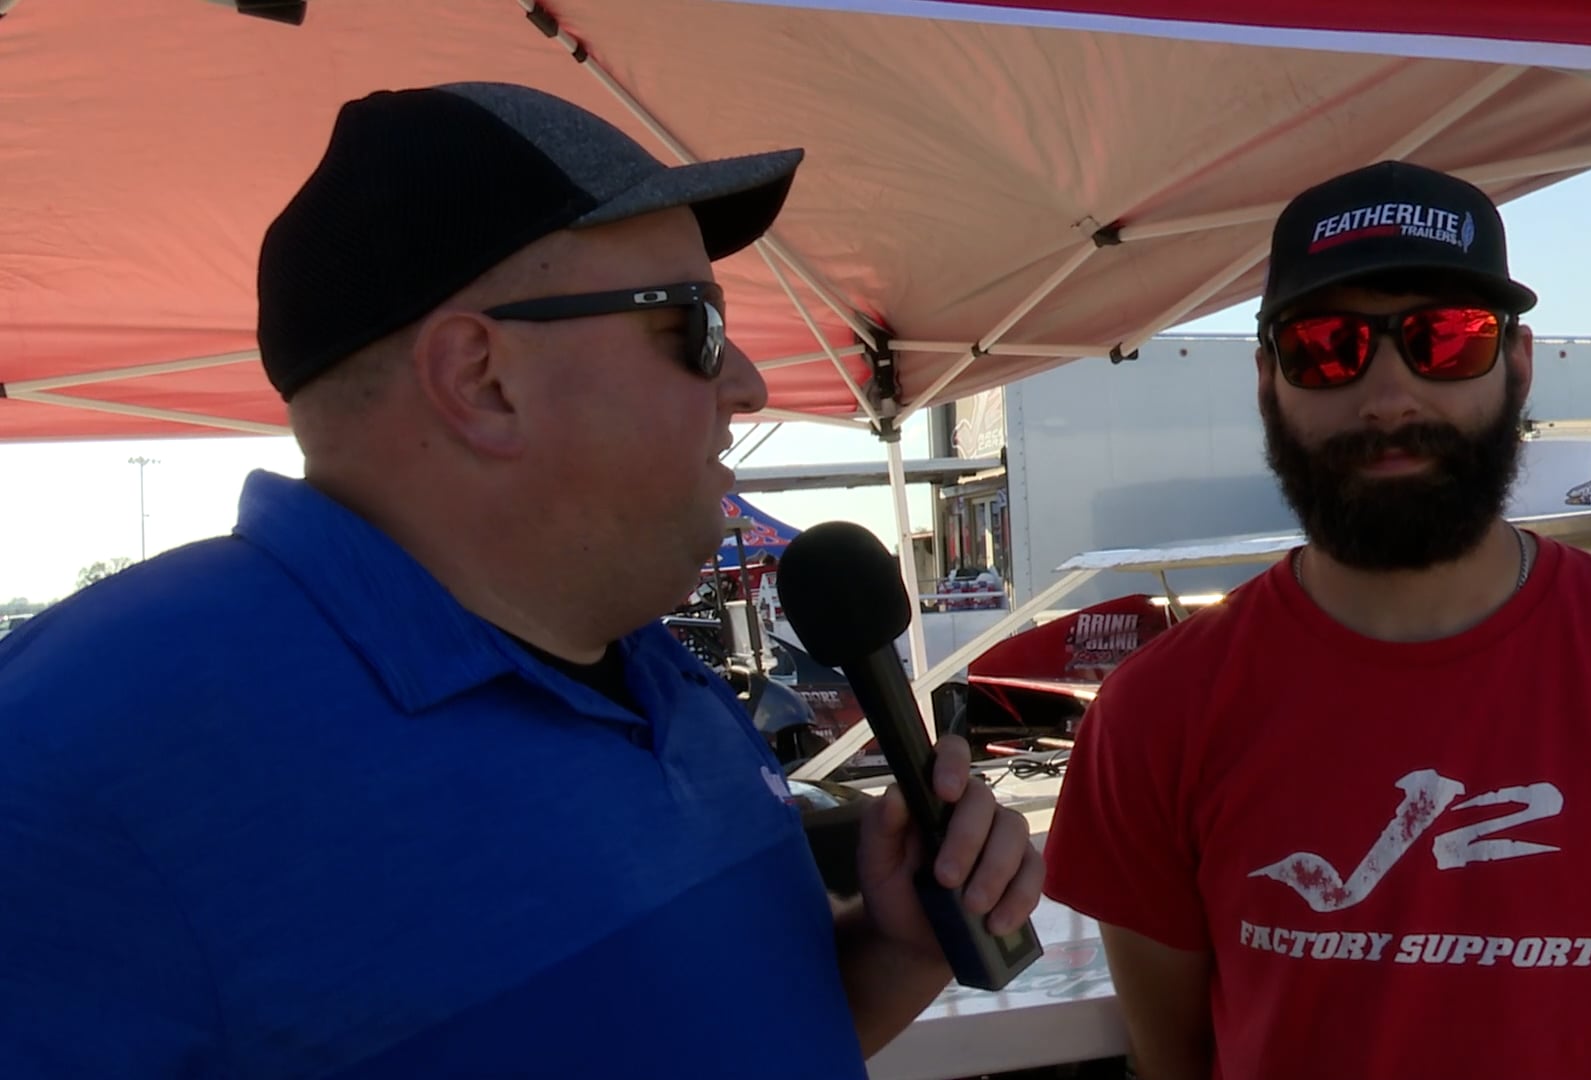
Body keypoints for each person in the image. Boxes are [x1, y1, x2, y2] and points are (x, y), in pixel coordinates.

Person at [0, 82, 1041, 1078]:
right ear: (481, 379)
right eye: (698, 325)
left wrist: (895, 949)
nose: (748, 384)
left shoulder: (648, 672)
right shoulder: (75, 758)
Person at [1041, 160, 1591, 1079]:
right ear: (1267, 383)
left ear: (1518, 366)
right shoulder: (1152, 718)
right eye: (1327, 347)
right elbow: (1177, 1059)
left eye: (1444, 341)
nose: (1387, 397)